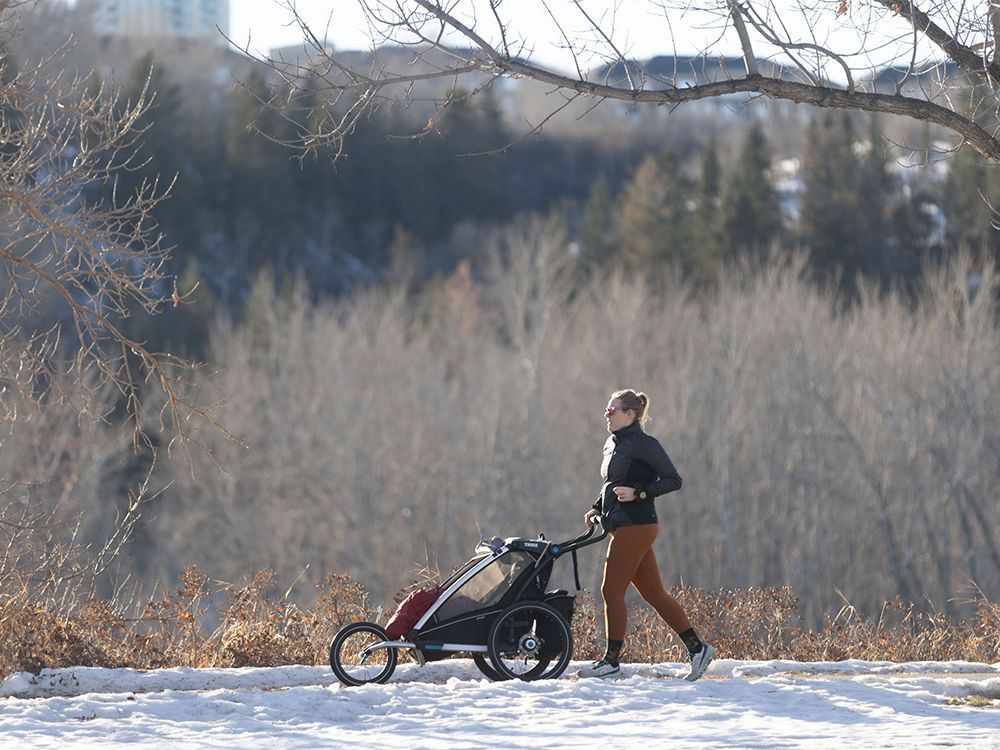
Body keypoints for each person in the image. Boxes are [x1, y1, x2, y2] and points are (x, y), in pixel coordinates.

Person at [579, 388, 716, 680]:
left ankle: (611, 662)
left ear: (630, 414)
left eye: (612, 411)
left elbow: (673, 480)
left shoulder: (645, 444)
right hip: (622, 525)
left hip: (636, 525)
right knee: (654, 593)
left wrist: (640, 492)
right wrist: (595, 507)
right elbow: (612, 483)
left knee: (610, 591)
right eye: (607, 410)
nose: (607, 415)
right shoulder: (611, 443)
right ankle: (697, 649)